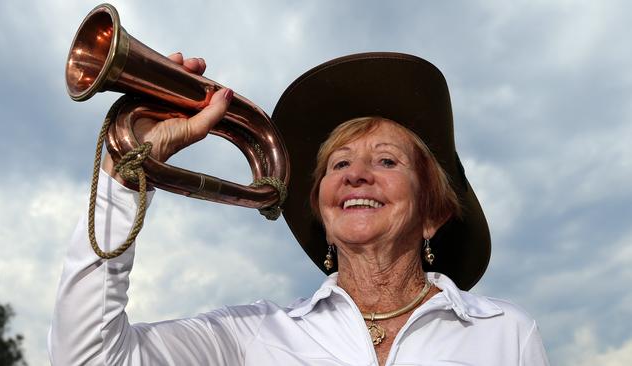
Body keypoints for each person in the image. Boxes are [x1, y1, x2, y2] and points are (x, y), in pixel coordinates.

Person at [49, 52, 550, 365]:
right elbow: (85, 357)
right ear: (323, 212)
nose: (356, 174)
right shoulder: (254, 336)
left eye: (387, 160)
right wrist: (128, 170)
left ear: (432, 213)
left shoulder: (506, 333)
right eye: (339, 164)